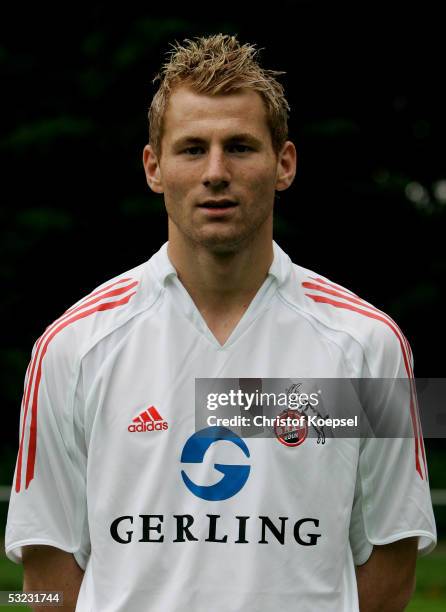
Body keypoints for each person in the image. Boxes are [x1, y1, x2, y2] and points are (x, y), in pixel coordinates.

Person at [5, 34, 436, 611]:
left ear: (283, 164)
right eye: (191, 149)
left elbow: (392, 559)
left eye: (239, 147)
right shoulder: (71, 347)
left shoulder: (368, 345)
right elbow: (45, 578)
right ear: (153, 167)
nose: (215, 172)